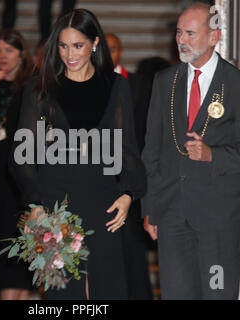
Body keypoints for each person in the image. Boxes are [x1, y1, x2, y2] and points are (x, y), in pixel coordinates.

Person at [12, 8, 147, 300]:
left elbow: (127, 148)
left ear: (94, 43)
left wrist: (128, 194)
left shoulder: (116, 86)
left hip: (104, 203)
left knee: (106, 288)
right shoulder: (40, 88)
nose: (69, 54)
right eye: (62, 46)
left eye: (77, 45)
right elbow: (24, 154)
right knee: (63, 292)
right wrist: (35, 204)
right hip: (54, 205)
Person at [142, 2, 240, 300]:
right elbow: (152, 152)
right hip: (172, 217)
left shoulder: (239, 87)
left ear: (213, 37)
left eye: (190, 33)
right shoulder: (164, 82)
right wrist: (149, 208)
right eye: (179, 32)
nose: (181, 40)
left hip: (217, 221)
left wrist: (213, 155)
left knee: (217, 293)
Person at [0, 28, 35, 300]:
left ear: (22, 54)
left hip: (19, 181)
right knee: (1, 249)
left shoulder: (31, 88)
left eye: (9, 50)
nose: (2, 56)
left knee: (21, 254)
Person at [105, 32, 154, 299]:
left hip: (133, 176)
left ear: (121, 51)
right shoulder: (91, 83)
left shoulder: (139, 84)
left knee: (133, 251)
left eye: (113, 48)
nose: (109, 53)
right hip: (101, 176)